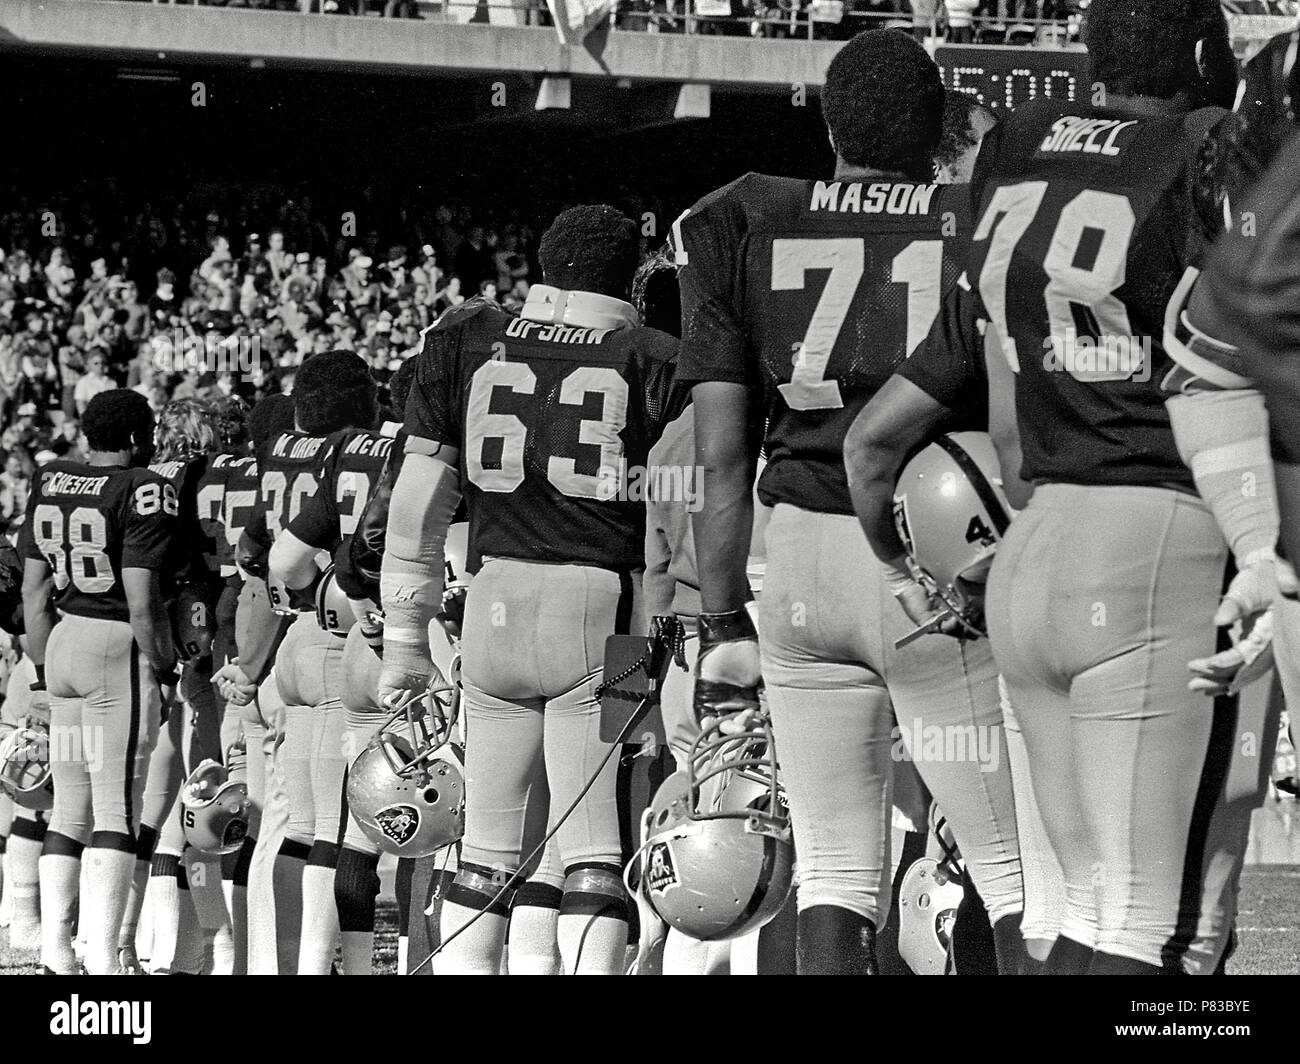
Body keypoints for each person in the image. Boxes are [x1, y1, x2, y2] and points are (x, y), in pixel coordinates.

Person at [853, 0, 1238, 974]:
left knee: (1075, 905)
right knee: (1158, 923)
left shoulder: (1017, 148)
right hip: (1160, 540)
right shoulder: (1205, 149)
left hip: (1032, 544)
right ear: (1202, 54)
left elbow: (969, 397)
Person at [675, 30, 1025, 976]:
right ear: (936, 123)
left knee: (834, 868)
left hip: (797, 564)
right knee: (1008, 865)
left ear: (828, 119)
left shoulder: (746, 218)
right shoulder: (973, 218)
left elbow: (717, 462)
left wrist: (718, 621)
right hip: (923, 551)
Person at [379, 204, 679, 975]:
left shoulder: (470, 338)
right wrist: (652, 671)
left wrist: (405, 641)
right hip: (607, 611)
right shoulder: (656, 357)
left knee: (484, 846)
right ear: (634, 274)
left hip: (493, 604)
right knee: (593, 844)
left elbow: (415, 506)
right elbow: (678, 517)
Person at [19, 389, 179, 975]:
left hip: (60, 645)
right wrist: (162, 666)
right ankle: (104, 960)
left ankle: (59, 955)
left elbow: (33, 592)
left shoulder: (52, 479)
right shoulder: (141, 487)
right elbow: (142, 602)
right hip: (115, 650)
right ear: (139, 438)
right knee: (115, 808)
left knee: (68, 806)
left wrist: (41, 670)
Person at [73, 350, 116, 416]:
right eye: (96, 363)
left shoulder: (112, 382)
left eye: (102, 362)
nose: (100, 365)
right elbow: (80, 405)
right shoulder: (83, 382)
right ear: (89, 365)